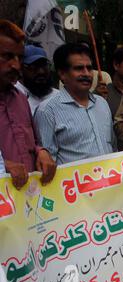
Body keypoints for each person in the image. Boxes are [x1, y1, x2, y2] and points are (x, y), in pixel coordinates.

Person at [34, 43, 117, 165]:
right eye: (79, 68)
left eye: (89, 68)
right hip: (75, 182)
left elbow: (113, 147)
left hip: (112, 179)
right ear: (62, 74)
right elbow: (48, 162)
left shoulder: (102, 104)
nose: (87, 74)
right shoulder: (47, 110)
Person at [0, 19, 56, 190]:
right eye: (8, 56)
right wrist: (4, 166)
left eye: (20, 58)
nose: (16, 65)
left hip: (27, 201)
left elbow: (32, 142)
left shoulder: (21, 99)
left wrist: (41, 152)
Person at [15, 45, 58, 115]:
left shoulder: (58, 96)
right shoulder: (12, 96)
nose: (41, 72)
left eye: (44, 66)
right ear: (20, 68)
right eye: (33, 67)